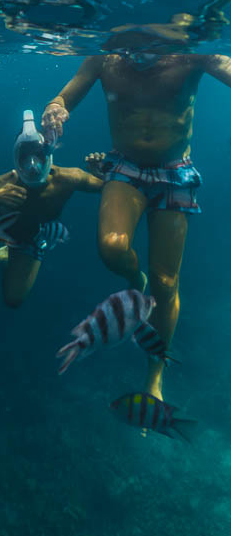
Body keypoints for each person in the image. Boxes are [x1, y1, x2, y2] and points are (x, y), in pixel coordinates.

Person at [41, 37, 231, 400]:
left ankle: (154, 375)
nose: (138, 51)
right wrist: (55, 107)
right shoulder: (105, 59)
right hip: (125, 168)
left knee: (166, 281)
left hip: (175, 170)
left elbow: (226, 66)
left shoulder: (192, 52)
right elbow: (64, 96)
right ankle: (133, 277)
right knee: (112, 249)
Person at [0, 110, 103, 307]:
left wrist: (102, 173)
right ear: (16, 158)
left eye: (37, 155)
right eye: (25, 157)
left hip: (31, 238)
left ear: (49, 152)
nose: (33, 165)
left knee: (14, 299)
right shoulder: (1, 183)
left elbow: (106, 187)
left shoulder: (68, 178)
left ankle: (5, 256)